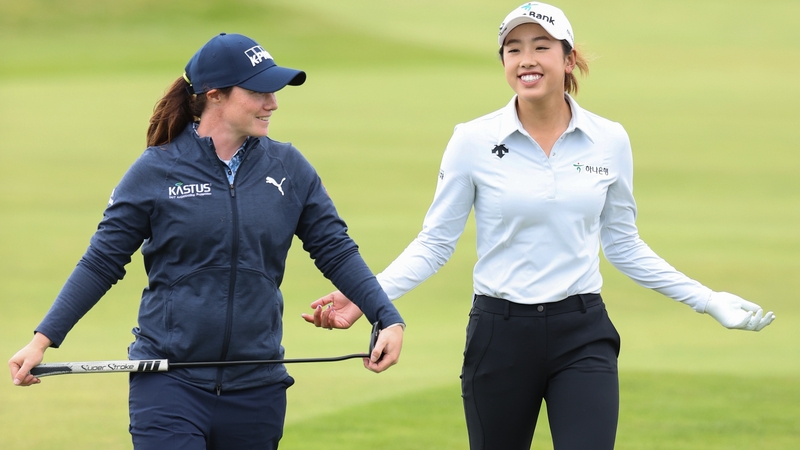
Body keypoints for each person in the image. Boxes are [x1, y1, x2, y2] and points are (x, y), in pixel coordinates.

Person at [301, 3, 776, 449]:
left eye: (542, 47)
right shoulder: (472, 140)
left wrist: (708, 300)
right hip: (499, 333)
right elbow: (435, 244)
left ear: (569, 59)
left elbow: (624, 246)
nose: (527, 59)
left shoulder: (609, 139)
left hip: (582, 330)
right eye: (514, 49)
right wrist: (369, 298)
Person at [8, 33, 405, 450]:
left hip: (258, 389)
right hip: (168, 385)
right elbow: (101, 261)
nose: (272, 103)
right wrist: (42, 340)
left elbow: (335, 249)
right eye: (258, 91)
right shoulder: (155, 170)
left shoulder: (289, 167)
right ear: (215, 96)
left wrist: (386, 316)